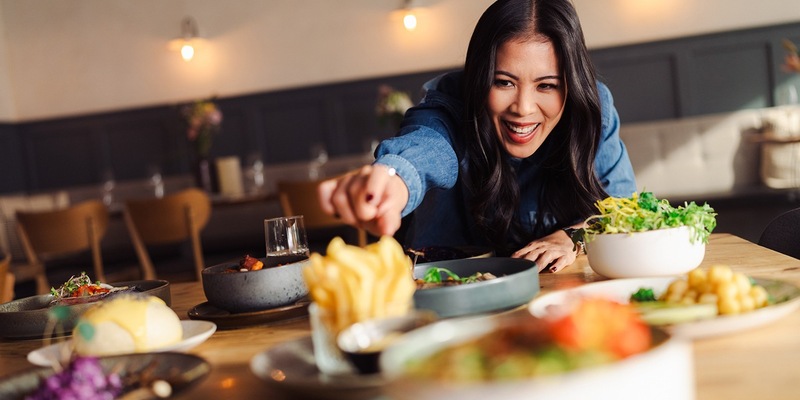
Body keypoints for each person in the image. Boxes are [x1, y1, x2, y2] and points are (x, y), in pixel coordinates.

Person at [318, 0, 636, 272]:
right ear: (479, 76)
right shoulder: (450, 101)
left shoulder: (592, 109)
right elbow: (427, 146)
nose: (523, 108)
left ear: (571, 85)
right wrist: (395, 178)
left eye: (547, 85)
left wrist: (570, 237)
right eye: (503, 82)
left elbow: (624, 208)